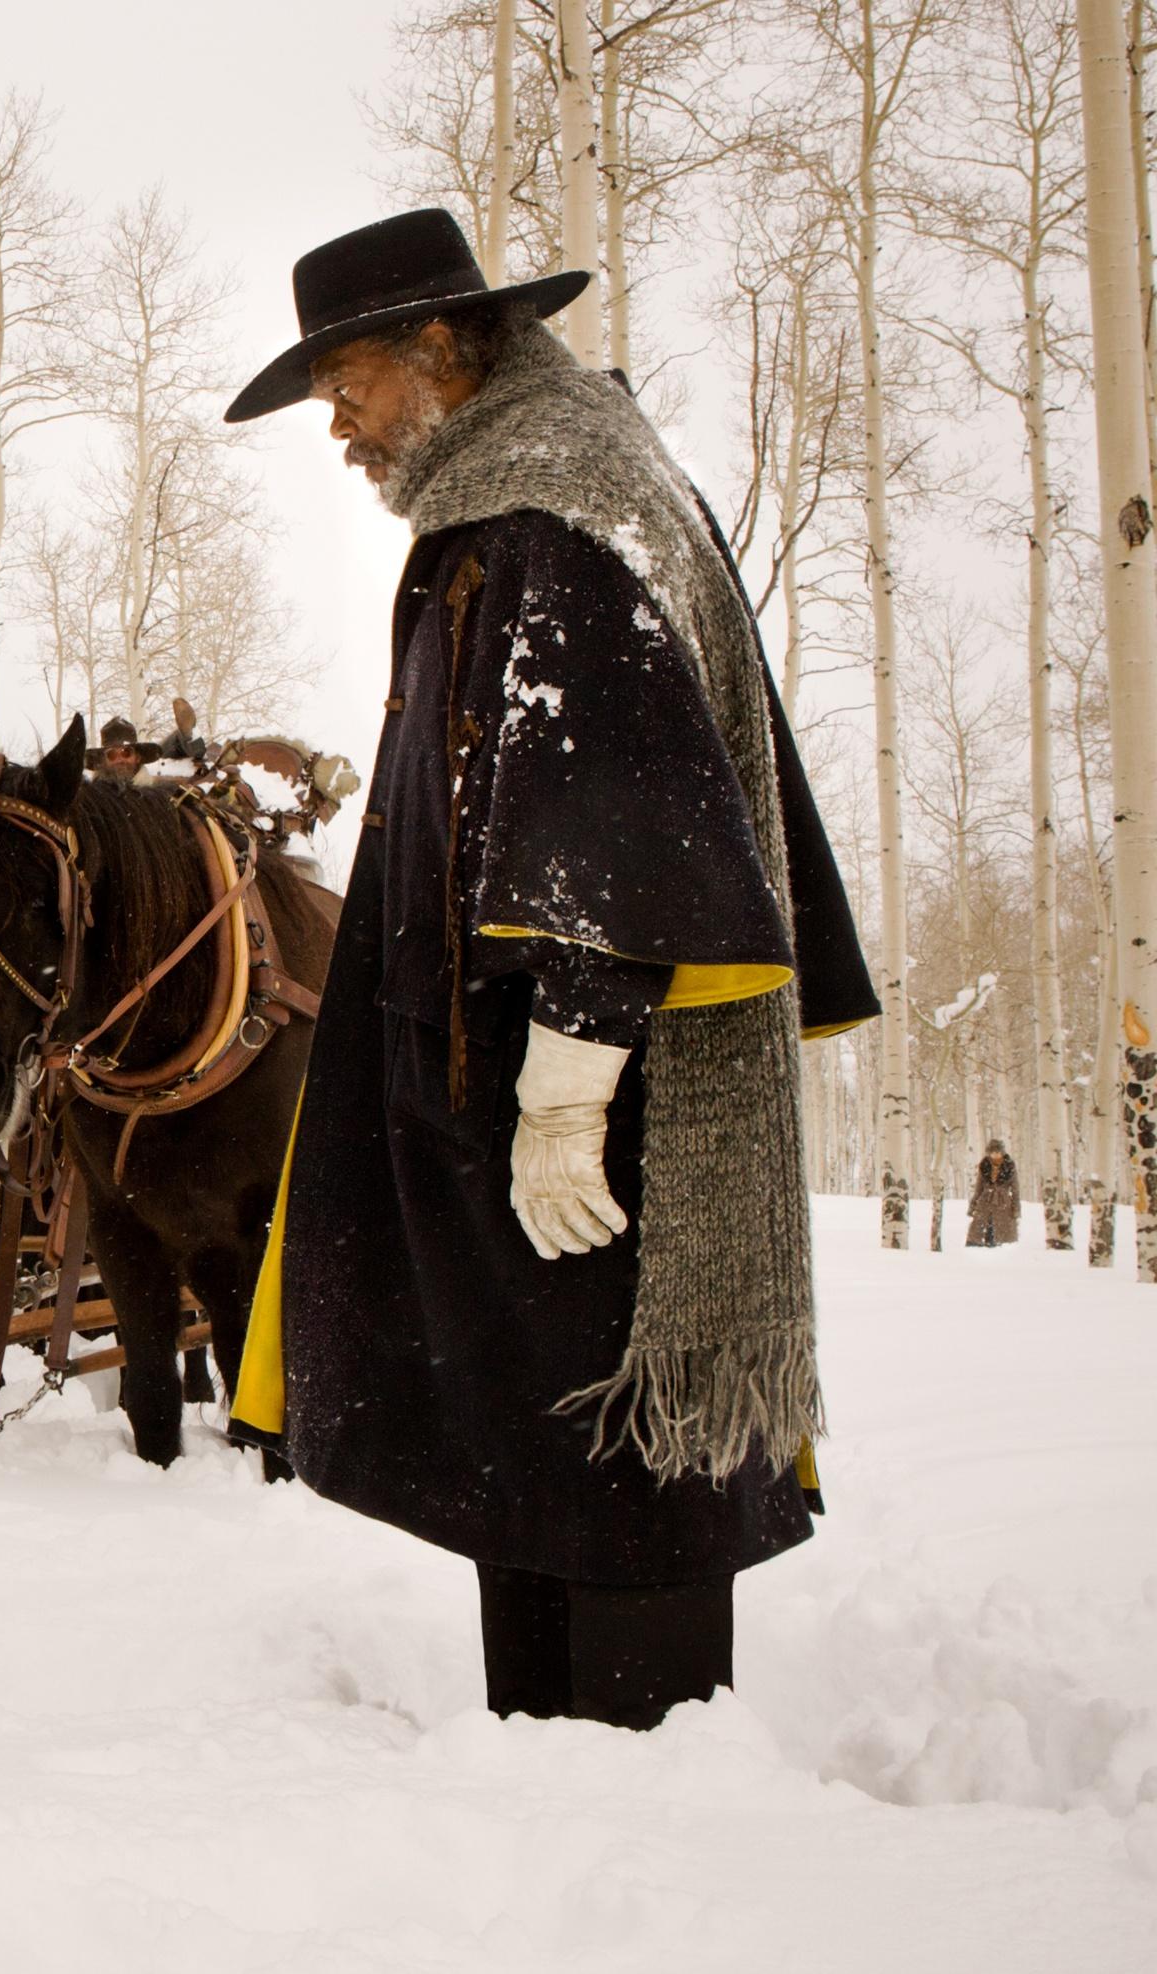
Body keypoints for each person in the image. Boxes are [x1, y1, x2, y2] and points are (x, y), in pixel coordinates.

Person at [223, 210, 877, 1729]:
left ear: (447, 347)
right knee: (540, 1464)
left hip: (590, 1122)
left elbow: (617, 814)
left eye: (351, 385)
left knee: (614, 1466)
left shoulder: (556, 515)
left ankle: (644, 1828)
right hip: (506, 1102)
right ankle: (559, 1780)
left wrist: (570, 1088)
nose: (340, 427)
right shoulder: (519, 504)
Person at [967, 1140, 1021, 1247]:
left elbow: (1015, 1189)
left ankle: (999, 1243)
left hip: (1003, 1202)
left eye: (998, 1152)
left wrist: (1016, 1208)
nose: (995, 1155)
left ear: (1002, 1152)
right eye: (993, 1152)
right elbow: (979, 1188)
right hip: (985, 1200)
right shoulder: (985, 1165)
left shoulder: (1009, 1166)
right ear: (989, 1153)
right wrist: (973, 1205)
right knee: (981, 1225)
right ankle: (979, 1242)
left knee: (1001, 1229)